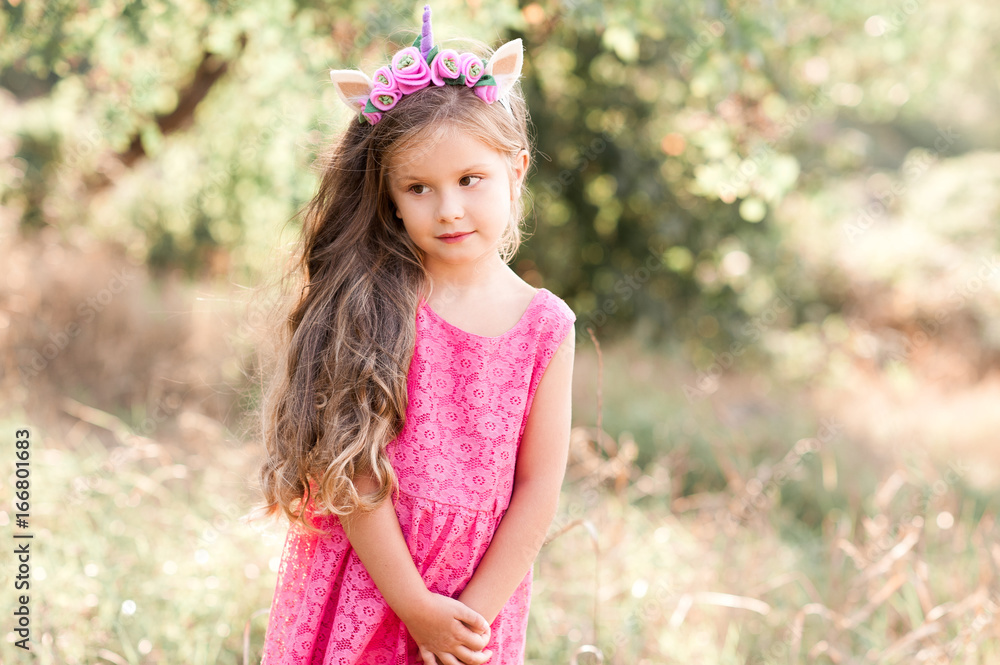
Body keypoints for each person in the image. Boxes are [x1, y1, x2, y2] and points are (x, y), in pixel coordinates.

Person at [253, 5, 577, 664]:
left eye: (470, 180)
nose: (450, 207)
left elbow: (540, 484)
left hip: (476, 599)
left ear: (515, 172)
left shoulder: (547, 325)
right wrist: (414, 605)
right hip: (372, 580)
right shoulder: (379, 300)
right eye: (420, 188)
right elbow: (352, 466)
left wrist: (469, 619)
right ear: (392, 198)